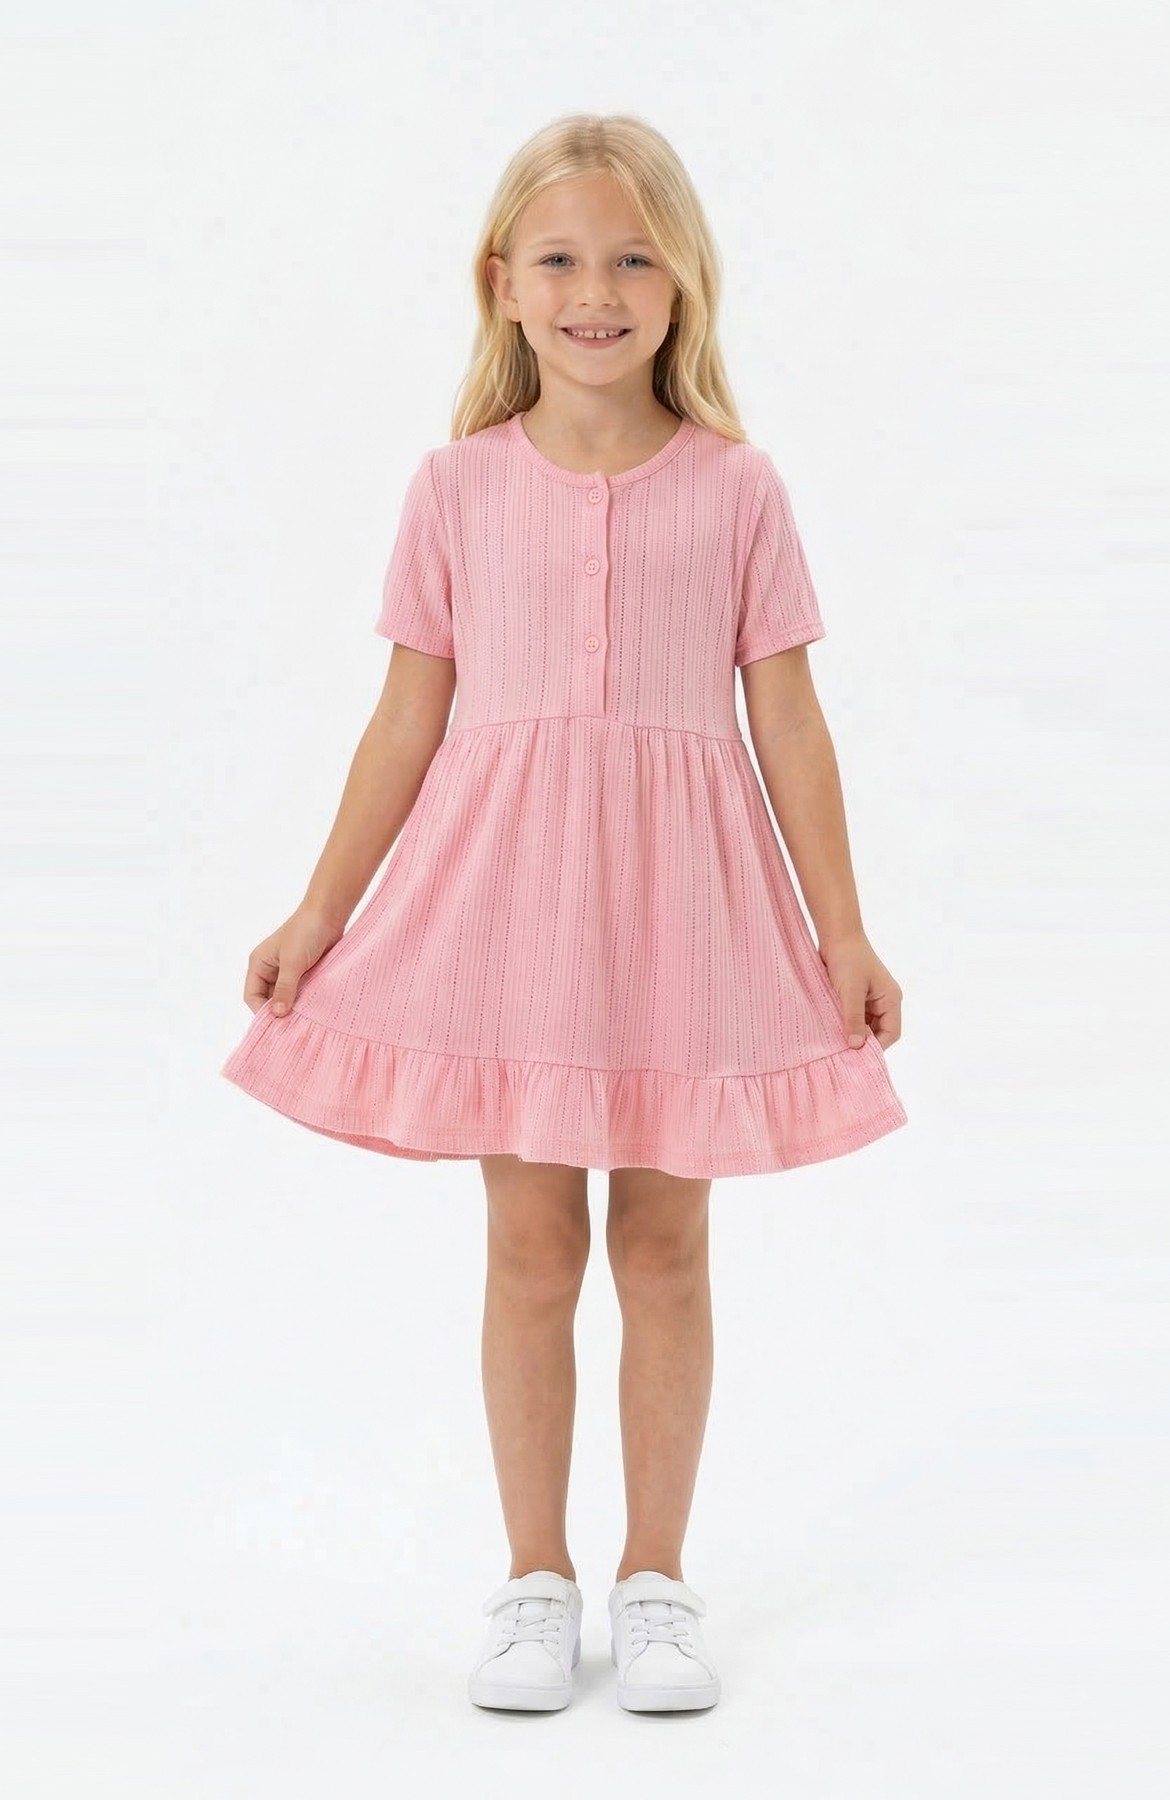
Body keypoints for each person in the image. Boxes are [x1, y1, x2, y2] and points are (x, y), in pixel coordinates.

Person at [219, 112, 908, 1715]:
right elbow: (406, 719)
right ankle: (535, 1582)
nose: (596, 291)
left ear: (683, 284)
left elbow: (789, 723)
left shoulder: (738, 490)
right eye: (561, 260)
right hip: (509, 912)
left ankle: (655, 1583)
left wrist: (846, 931)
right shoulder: (454, 487)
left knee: (664, 1245)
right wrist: (319, 912)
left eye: (632, 259)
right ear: (503, 285)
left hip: (686, 914)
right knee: (532, 1246)